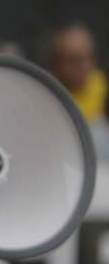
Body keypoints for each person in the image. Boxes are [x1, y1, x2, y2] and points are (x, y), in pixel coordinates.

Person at [46, 23, 109, 162]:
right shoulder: (44, 102)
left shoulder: (103, 89)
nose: (85, 67)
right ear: (55, 65)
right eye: (74, 61)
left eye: (89, 58)